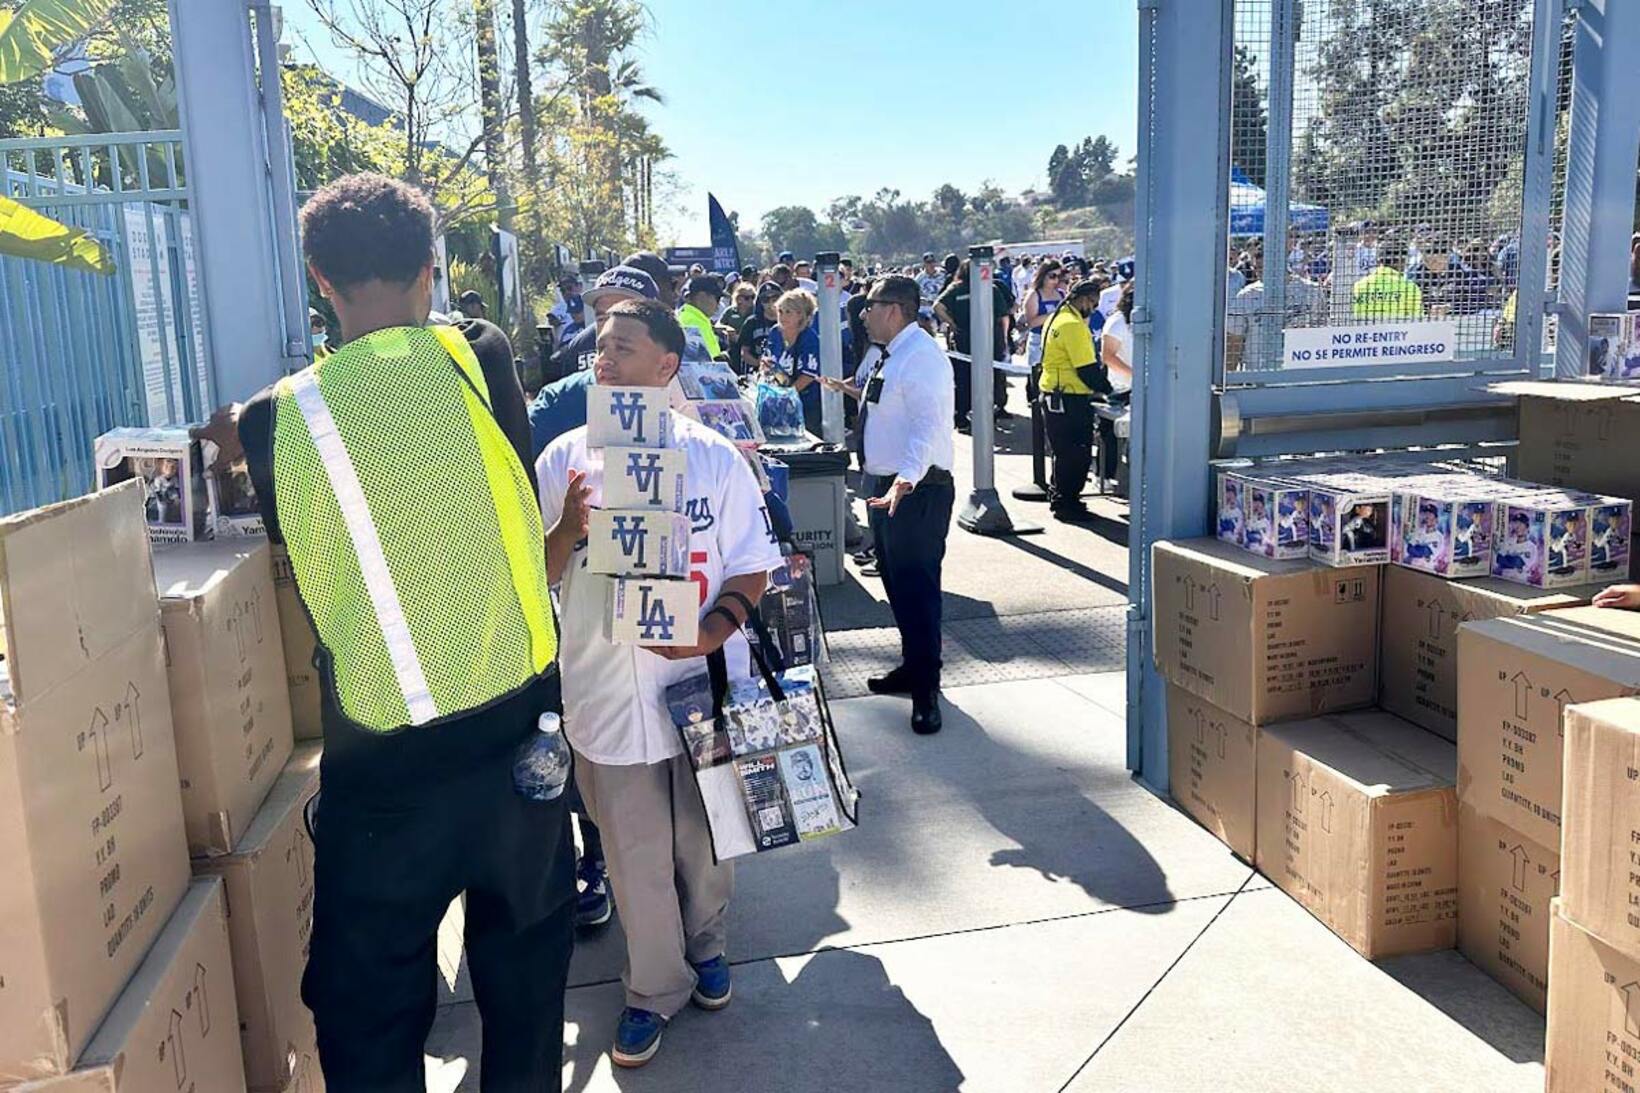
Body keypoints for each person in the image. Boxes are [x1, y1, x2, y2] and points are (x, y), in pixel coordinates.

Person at [196, 173, 572, 1091]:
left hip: (385, 772)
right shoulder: (480, 357)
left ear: (319, 280)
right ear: (431, 269)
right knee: (525, 985)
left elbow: (274, 508)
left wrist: (232, 433)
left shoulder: (280, 418)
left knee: (368, 1017)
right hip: (522, 746)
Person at [537, 298, 782, 1068]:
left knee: (706, 842)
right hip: (607, 698)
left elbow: (754, 564)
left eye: (623, 348)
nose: (603, 361)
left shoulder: (713, 457)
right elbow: (534, 575)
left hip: (701, 687)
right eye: (600, 348)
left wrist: (708, 634)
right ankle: (653, 988)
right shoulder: (565, 459)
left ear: (667, 364)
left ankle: (707, 945)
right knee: (633, 856)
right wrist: (568, 530)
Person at [822, 276, 954, 734]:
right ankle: (912, 667)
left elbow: (927, 429)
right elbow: (886, 405)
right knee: (897, 587)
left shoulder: (922, 358)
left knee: (918, 591)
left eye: (870, 306)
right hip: (888, 486)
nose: (863, 315)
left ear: (893, 310)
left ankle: (926, 689)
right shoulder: (892, 354)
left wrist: (905, 481)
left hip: (915, 490)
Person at [530, 264, 663, 453]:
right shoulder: (560, 399)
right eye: (602, 318)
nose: (611, 327)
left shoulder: (683, 393)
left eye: (626, 316)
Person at [1037, 278, 1111, 521]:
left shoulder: (1056, 318)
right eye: (1093, 303)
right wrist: (1108, 390)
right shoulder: (1072, 325)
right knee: (1075, 453)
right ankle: (1067, 504)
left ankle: (1062, 498)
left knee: (1063, 452)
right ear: (1083, 299)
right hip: (1068, 397)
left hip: (1055, 393)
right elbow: (1086, 369)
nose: (1094, 308)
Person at [934, 259, 1012, 431]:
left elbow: (938, 306)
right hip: (989, 340)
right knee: (989, 378)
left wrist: (952, 323)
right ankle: (986, 415)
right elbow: (1004, 317)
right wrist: (1005, 339)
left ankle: (962, 416)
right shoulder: (990, 289)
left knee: (964, 379)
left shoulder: (957, 289)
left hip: (965, 340)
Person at [1225, 244, 1325, 371]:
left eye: (1263, 267)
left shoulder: (1311, 291)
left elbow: (1321, 332)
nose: (1259, 272)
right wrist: (1230, 376)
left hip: (1301, 370)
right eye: (1257, 268)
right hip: (1259, 373)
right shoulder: (1247, 296)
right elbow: (1234, 341)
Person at [765, 288, 823, 435]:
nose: (782, 316)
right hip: (777, 398)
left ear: (801, 315)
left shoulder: (809, 338)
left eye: (788, 312)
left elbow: (809, 375)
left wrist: (787, 397)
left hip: (806, 404)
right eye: (780, 311)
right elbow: (769, 361)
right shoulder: (774, 333)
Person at [1352, 237, 1422, 319]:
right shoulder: (1410, 288)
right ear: (1402, 261)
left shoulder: (1359, 286)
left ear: (1378, 261)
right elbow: (1417, 320)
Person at [1021, 260, 1065, 374]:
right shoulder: (1034, 295)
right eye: (1052, 276)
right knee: (1037, 374)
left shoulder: (1061, 293)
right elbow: (1031, 322)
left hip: (1057, 339)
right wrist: (1054, 314)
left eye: (1059, 276)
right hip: (1038, 340)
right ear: (1043, 275)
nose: (1056, 280)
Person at [735, 281, 782, 374]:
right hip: (756, 372)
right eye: (765, 300)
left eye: (775, 299)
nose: (771, 303)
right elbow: (744, 352)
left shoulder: (788, 321)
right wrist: (759, 363)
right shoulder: (752, 323)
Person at [678, 273, 726, 360]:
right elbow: (696, 361)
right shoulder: (690, 321)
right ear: (702, 296)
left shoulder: (698, 318)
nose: (718, 305)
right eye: (717, 298)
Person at [547, 273, 584, 345]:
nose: (567, 292)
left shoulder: (587, 301)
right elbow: (550, 322)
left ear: (579, 286)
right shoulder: (558, 308)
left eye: (569, 288)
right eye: (563, 291)